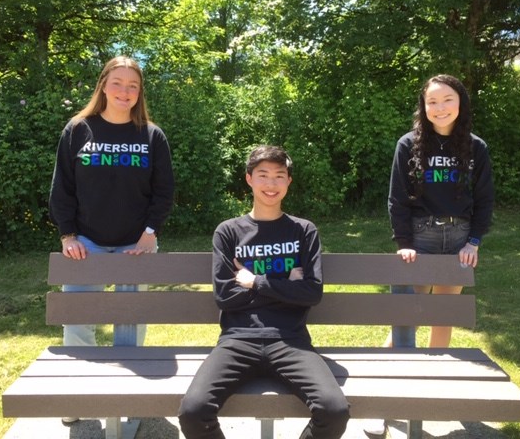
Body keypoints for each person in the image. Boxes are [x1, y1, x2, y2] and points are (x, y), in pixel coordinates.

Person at [178, 145, 350, 439]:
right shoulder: (228, 232)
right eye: (263, 175)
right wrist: (287, 285)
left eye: (279, 176)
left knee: (334, 411)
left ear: (288, 182)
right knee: (193, 412)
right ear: (249, 179)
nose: (271, 184)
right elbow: (225, 296)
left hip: (290, 341)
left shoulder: (303, 231)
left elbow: (311, 293)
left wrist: (255, 281)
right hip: (237, 340)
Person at [364, 74, 494, 436]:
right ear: (423, 106)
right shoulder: (409, 144)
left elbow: (484, 199)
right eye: (432, 101)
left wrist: (475, 242)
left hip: (459, 240)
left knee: (442, 316)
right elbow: (397, 197)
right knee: (406, 318)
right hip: (419, 238)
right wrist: (403, 241)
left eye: (447, 99)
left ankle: (430, 393)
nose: (439, 108)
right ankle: (379, 402)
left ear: (461, 103)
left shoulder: (475, 147)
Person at [48, 56, 174, 421]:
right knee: (78, 320)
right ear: (103, 85)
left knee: (130, 321)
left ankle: (126, 397)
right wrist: (68, 234)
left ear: (140, 93)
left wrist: (150, 235)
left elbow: (164, 192)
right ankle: (79, 395)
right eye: (117, 83)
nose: (125, 91)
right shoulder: (78, 129)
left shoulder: (151, 135)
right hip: (86, 243)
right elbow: (63, 190)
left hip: (137, 245)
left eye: (133, 86)